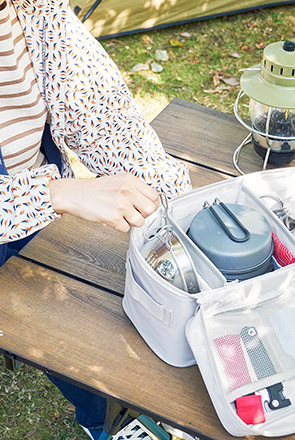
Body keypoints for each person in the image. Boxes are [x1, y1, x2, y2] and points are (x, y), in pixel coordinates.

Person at [0, 0, 192, 438]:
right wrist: (54, 194)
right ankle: (102, 421)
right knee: (48, 328)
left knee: (77, 316)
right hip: (42, 200)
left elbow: (103, 116)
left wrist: (175, 201)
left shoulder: (34, 9)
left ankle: (108, 413)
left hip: (42, 207)